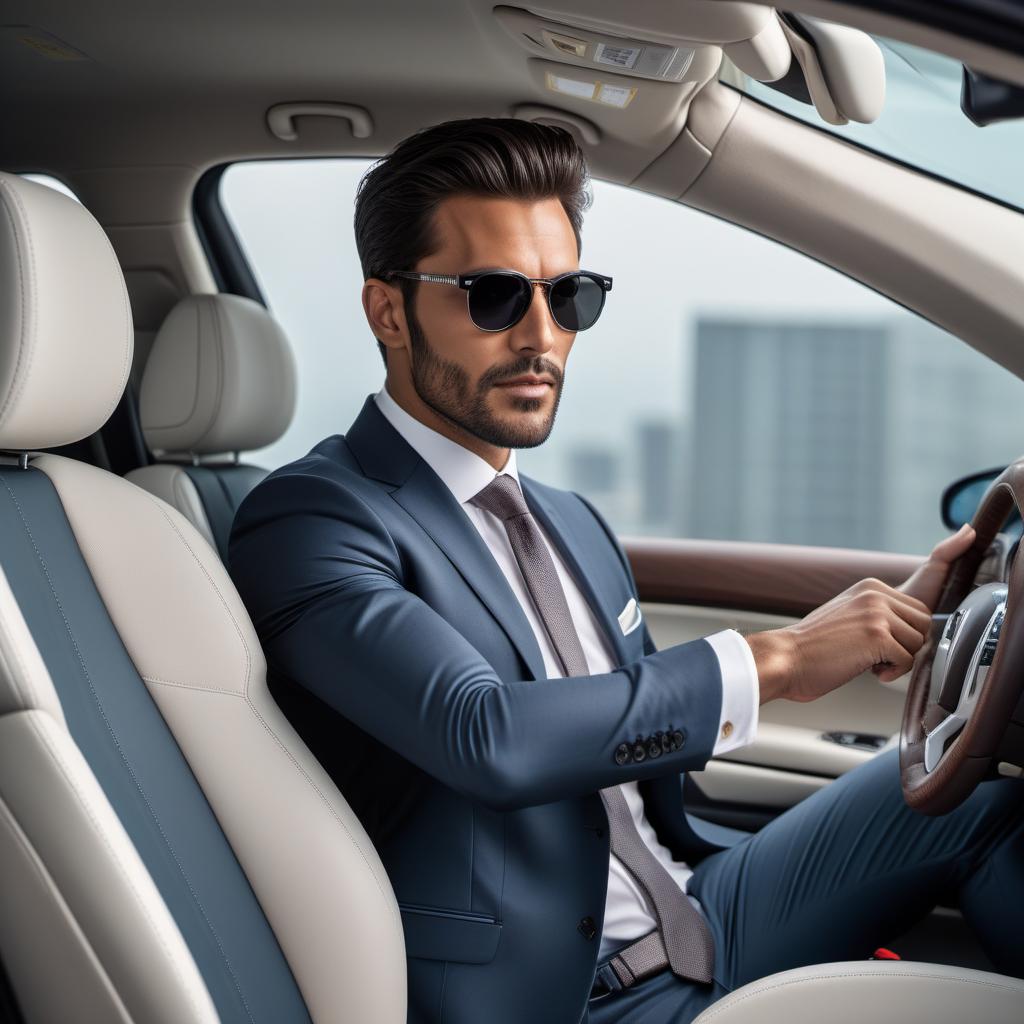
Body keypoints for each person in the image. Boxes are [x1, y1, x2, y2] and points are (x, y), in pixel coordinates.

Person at [227, 117, 1024, 1024]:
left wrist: (914, 631)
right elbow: (488, 735)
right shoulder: (313, 518)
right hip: (563, 996)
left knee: (984, 792)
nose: (541, 336)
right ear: (387, 312)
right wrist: (784, 659)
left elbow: (629, 737)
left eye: (569, 295)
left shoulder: (572, 521)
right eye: (494, 296)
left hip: (705, 905)